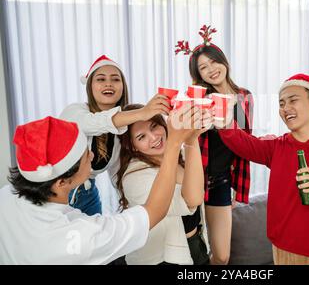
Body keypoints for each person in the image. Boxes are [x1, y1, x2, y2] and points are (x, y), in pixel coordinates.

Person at [0, 105, 201, 264]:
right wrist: (177, 142)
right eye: (86, 155)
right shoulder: (84, 236)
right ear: (61, 182)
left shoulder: (6, 196)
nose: (93, 154)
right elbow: (154, 211)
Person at [215, 73, 309, 265]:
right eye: (281, 104)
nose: (285, 108)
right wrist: (225, 122)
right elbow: (244, 144)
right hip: (282, 250)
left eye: (293, 100)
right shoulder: (277, 147)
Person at [175, 25, 254, 265]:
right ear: (198, 75)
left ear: (224, 62)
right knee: (190, 251)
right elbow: (184, 134)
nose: (211, 70)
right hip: (192, 178)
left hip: (221, 180)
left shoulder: (244, 96)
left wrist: (233, 186)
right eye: (203, 68)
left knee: (221, 255)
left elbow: (246, 143)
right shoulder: (198, 98)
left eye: (213, 62)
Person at [60, 55, 170, 216]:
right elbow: (92, 123)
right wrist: (142, 112)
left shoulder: (123, 131)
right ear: (90, 86)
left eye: (115, 79)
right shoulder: (74, 112)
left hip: (88, 195)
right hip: (55, 193)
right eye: (101, 79)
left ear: (123, 87)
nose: (108, 83)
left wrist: (131, 202)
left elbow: (118, 175)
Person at [116, 104, 211, 265]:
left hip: (197, 244)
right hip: (163, 258)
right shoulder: (134, 177)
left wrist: (190, 138)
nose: (153, 137)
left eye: (154, 127)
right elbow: (193, 199)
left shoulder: (180, 154)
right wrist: (190, 141)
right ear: (132, 146)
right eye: (141, 137)